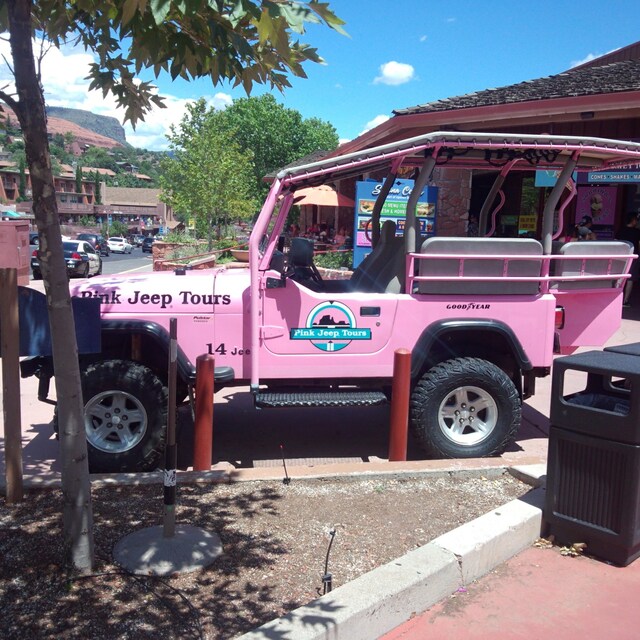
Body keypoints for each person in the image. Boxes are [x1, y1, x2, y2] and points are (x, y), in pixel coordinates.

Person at [616, 211, 640, 307]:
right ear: (633, 220)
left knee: (619, 277)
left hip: (621, 257)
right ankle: (625, 301)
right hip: (633, 257)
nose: (637, 222)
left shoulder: (621, 230)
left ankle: (615, 298)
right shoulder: (637, 232)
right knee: (630, 278)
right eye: (636, 220)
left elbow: (616, 243)